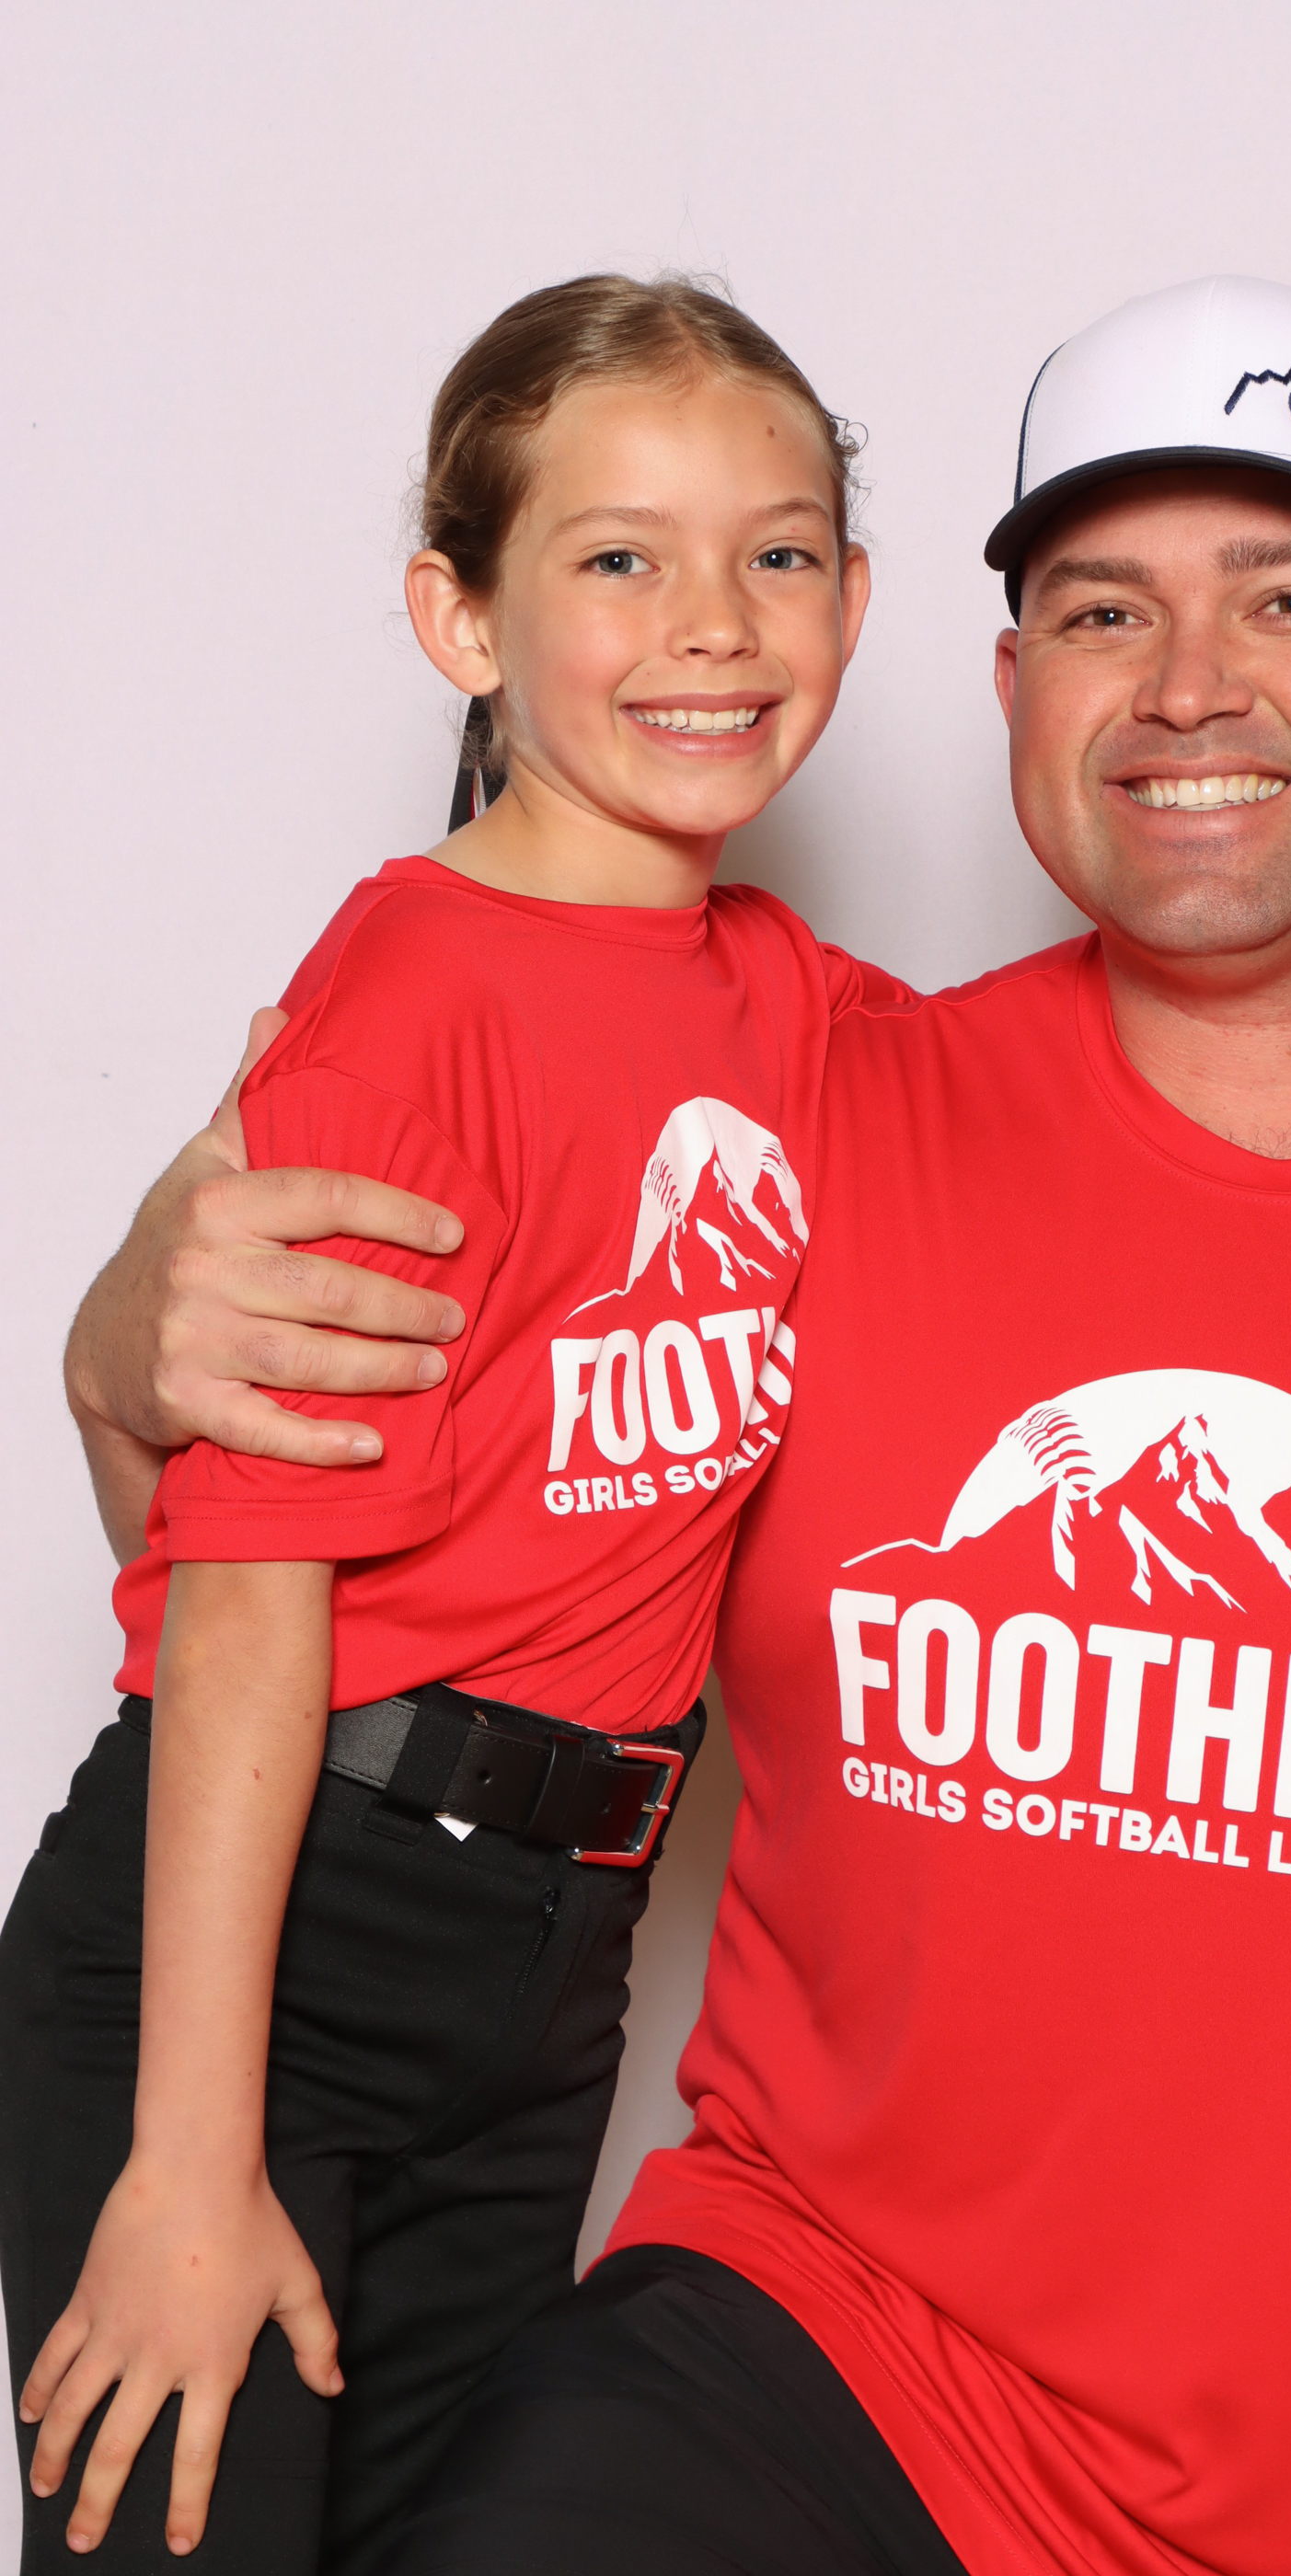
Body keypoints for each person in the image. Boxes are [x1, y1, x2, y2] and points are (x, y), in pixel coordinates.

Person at [52, 272, 1291, 2574]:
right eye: (1101, 610)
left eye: (1289, 596)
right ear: (1009, 692)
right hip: (821, 2374)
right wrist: (122, 1340)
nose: (1185, 683)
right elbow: (344, 1540)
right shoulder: (823, 1112)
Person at [0, 269, 887, 2573]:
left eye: (778, 551)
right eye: (618, 556)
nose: (713, 620)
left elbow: (1089, 1099)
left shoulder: (798, 1004)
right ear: (461, 618)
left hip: (555, 1959)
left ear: (855, 599)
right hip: (269, 1931)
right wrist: (188, 2161)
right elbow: (243, 1597)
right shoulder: (416, 993)